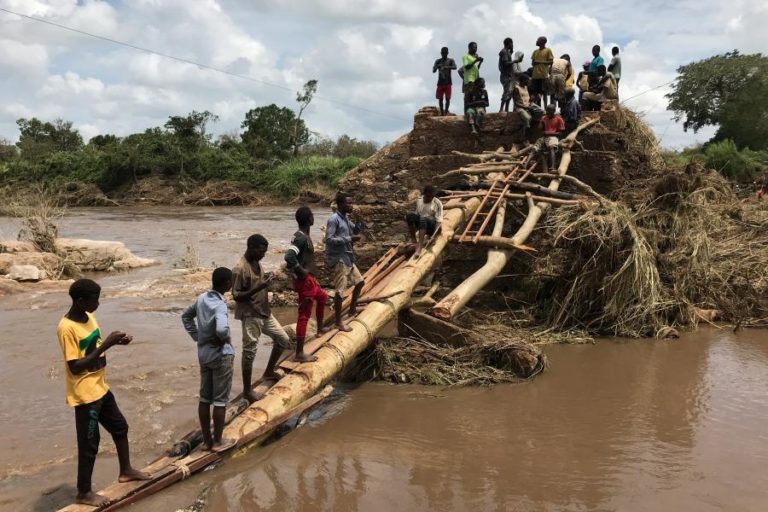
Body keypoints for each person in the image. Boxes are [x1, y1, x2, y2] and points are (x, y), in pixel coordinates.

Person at [57, 279, 150, 507]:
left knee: (120, 427)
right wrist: (106, 345)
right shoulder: (66, 327)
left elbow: (94, 347)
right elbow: (75, 366)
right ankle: (84, 492)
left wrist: (117, 342)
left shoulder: (89, 317)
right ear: (80, 301)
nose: (98, 304)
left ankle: (126, 470)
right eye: (94, 300)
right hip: (85, 395)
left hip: (100, 387)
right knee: (90, 444)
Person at [181, 267, 237, 454]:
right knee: (220, 401)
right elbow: (221, 329)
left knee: (205, 398)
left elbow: (186, 316)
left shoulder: (201, 298)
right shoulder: (220, 305)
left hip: (204, 354)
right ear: (227, 284)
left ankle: (206, 442)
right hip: (221, 355)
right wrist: (224, 338)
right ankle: (218, 442)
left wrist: (198, 337)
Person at [232, 234, 290, 403]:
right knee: (249, 353)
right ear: (251, 248)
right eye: (262, 251)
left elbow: (257, 283)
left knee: (283, 339)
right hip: (250, 315)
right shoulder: (240, 268)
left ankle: (268, 372)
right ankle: (247, 391)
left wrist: (266, 280)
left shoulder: (256, 263)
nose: (264, 254)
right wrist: (260, 286)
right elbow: (236, 296)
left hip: (264, 311)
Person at [284, 206, 331, 362]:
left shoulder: (303, 235)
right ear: (308, 219)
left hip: (310, 281)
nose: (313, 217)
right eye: (312, 215)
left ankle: (319, 328)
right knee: (304, 316)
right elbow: (289, 256)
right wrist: (301, 271)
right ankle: (299, 353)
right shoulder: (301, 238)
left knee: (323, 297)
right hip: (305, 282)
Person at [326, 193, 365, 332]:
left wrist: (359, 218)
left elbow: (357, 230)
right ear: (341, 204)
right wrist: (348, 239)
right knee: (340, 291)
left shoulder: (346, 219)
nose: (351, 206)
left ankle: (352, 310)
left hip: (348, 257)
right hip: (339, 259)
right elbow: (329, 239)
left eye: (352, 203)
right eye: (349, 203)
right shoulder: (334, 220)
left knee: (360, 282)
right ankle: (338, 322)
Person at [406, 184, 444, 257]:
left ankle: (419, 247)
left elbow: (439, 221)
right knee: (410, 215)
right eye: (429, 196)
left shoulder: (437, 203)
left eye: (432, 196)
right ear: (425, 195)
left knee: (423, 218)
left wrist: (434, 236)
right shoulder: (419, 201)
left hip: (432, 227)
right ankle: (414, 240)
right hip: (422, 225)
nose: (430, 198)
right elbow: (417, 214)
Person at [498, 38, 522, 112]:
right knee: (507, 92)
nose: (512, 45)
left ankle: (506, 109)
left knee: (510, 92)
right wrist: (515, 61)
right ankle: (501, 109)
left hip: (508, 75)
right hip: (506, 75)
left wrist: (511, 53)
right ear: (509, 43)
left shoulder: (506, 52)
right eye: (512, 43)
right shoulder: (504, 52)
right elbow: (505, 64)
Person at [539, 104, 566, 169]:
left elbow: (560, 134)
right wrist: (541, 121)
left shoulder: (559, 119)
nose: (547, 112)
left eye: (549, 111)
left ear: (553, 111)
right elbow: (540, 129)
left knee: (552, 147)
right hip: (545, 137)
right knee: (535, 148)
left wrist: (549, 133)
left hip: (554, 137)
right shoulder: (545, 118)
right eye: (546, 110)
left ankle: (553, 166)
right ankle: (525, 165)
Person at [433, 47, 457, 115]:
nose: (444, 55)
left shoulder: (450, 60)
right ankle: (442, 113)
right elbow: (433, 71)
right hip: (440, 83)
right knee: (440, 99)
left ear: (447, 53)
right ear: (441, 53)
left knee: (448, 99)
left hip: (448, 82)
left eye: (445, 53)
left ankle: (445, 112)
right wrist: (437, 66)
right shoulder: (438, 61)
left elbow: (455, 67)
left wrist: (446, 67)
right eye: (443, 53)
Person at [530, 36, 554, 107]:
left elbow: (551, 61)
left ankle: (546, 108)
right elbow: (532, 63)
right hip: (535, 75)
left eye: (538, 40)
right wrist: (534, 63)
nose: (536, 41)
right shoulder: (535, 52)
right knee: (535, 92)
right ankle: (535, 107)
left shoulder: (548, 50)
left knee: (544, 92)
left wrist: (539, 61)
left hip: (543, 75)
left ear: (543, 42)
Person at [462, 41, 483, 109]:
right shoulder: (466, 56)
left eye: (476, 47)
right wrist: (475, 61)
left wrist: (480, 62)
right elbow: (467, 67)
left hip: (476, 80)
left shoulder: (474, 57)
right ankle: (467, 114)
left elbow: (476, 68)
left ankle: (472, 113)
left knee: (475, 97)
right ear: (469, 48)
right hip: (469, 80)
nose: (475, 49)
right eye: (474, 47)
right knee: (468, 97)